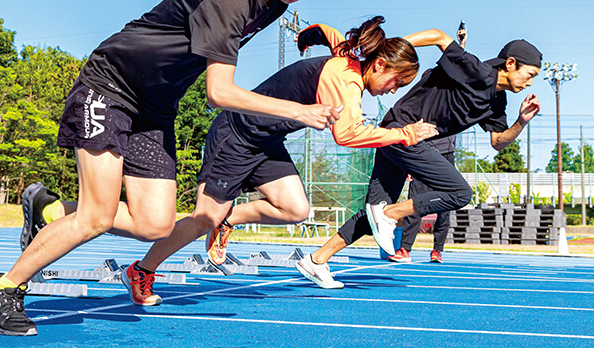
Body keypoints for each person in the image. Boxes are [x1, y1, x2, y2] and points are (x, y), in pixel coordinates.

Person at [0, 0, 354, 336]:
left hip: (155, 108)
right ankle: (5, 288)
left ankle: (47, 208)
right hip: (111, 86)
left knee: (154, 223)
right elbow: (219, 92)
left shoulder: (272, 5)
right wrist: (300, 111)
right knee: (97, 217)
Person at [117, 16, 438, 305]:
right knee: (203, 217)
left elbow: (330, 32)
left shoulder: (348, 56)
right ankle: (142, 270)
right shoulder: (347, 81)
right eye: (397, 82)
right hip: (236, 133)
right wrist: (405, 134)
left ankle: (228, 219)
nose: (392, 90)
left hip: (265, 142)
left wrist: (307, 36)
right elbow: (348, 135)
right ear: (380, 65)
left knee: (294, 209)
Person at [297, 26, 541, 288]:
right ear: (511, 64)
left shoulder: (496, 102)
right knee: (460, 193)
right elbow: (438, 36)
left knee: (372, 215)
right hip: (403, 131)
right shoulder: (476, 70)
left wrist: (521, 121)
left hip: (398, 137)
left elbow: (498, 142)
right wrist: (389, 49)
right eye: (530, 75)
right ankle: (390, 213)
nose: (530, 82)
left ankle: (317, 260)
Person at [388, 21, 466, 264]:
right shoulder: (418, 104)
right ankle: (405, 249)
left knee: (446, 205)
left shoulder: (451, 99)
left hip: (446, 155)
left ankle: (437, 250)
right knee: (415, 203)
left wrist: (461, 43)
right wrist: (410, 165)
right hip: (423, 156)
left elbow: (462, 68)